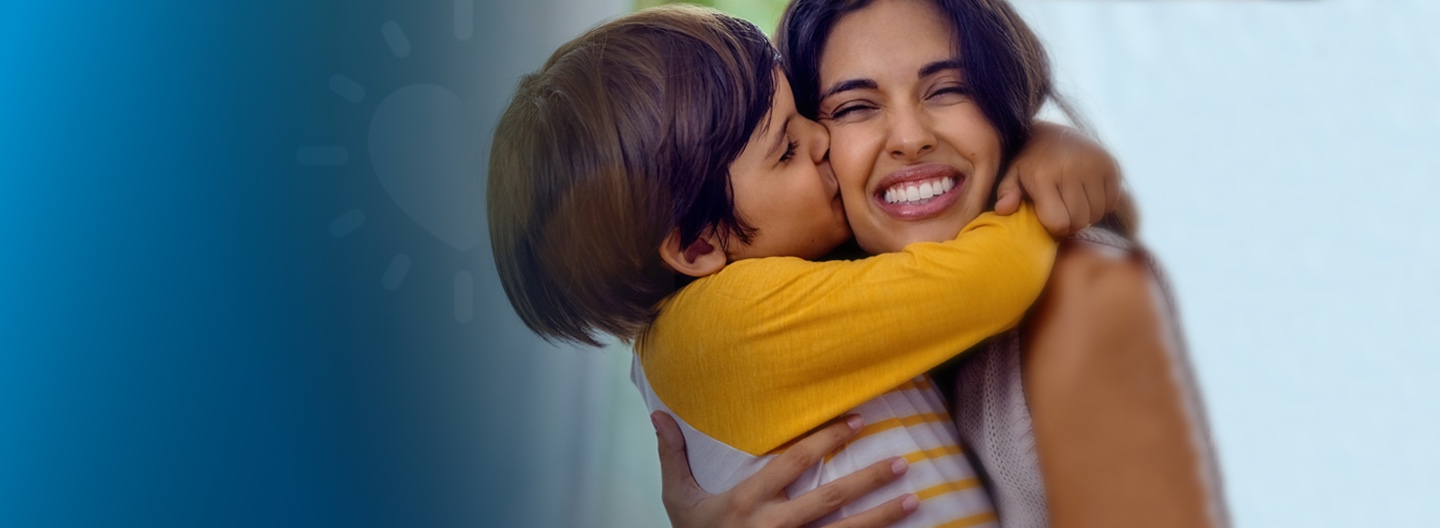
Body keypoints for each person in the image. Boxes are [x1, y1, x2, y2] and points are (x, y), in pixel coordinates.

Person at [487, 4, 1123, 527]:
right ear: (698, 246)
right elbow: (990, 283)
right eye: (787, 148)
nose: (821, 140)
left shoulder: (716, 325)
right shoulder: (728, 327)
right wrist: (1031, 167)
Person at [655, 0, 1230, 527]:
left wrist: (1040, 163)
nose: (909, 137)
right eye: (854, 106)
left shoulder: (1086, 291)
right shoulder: (789, 322)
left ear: (1003, 100)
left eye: (947, 89)